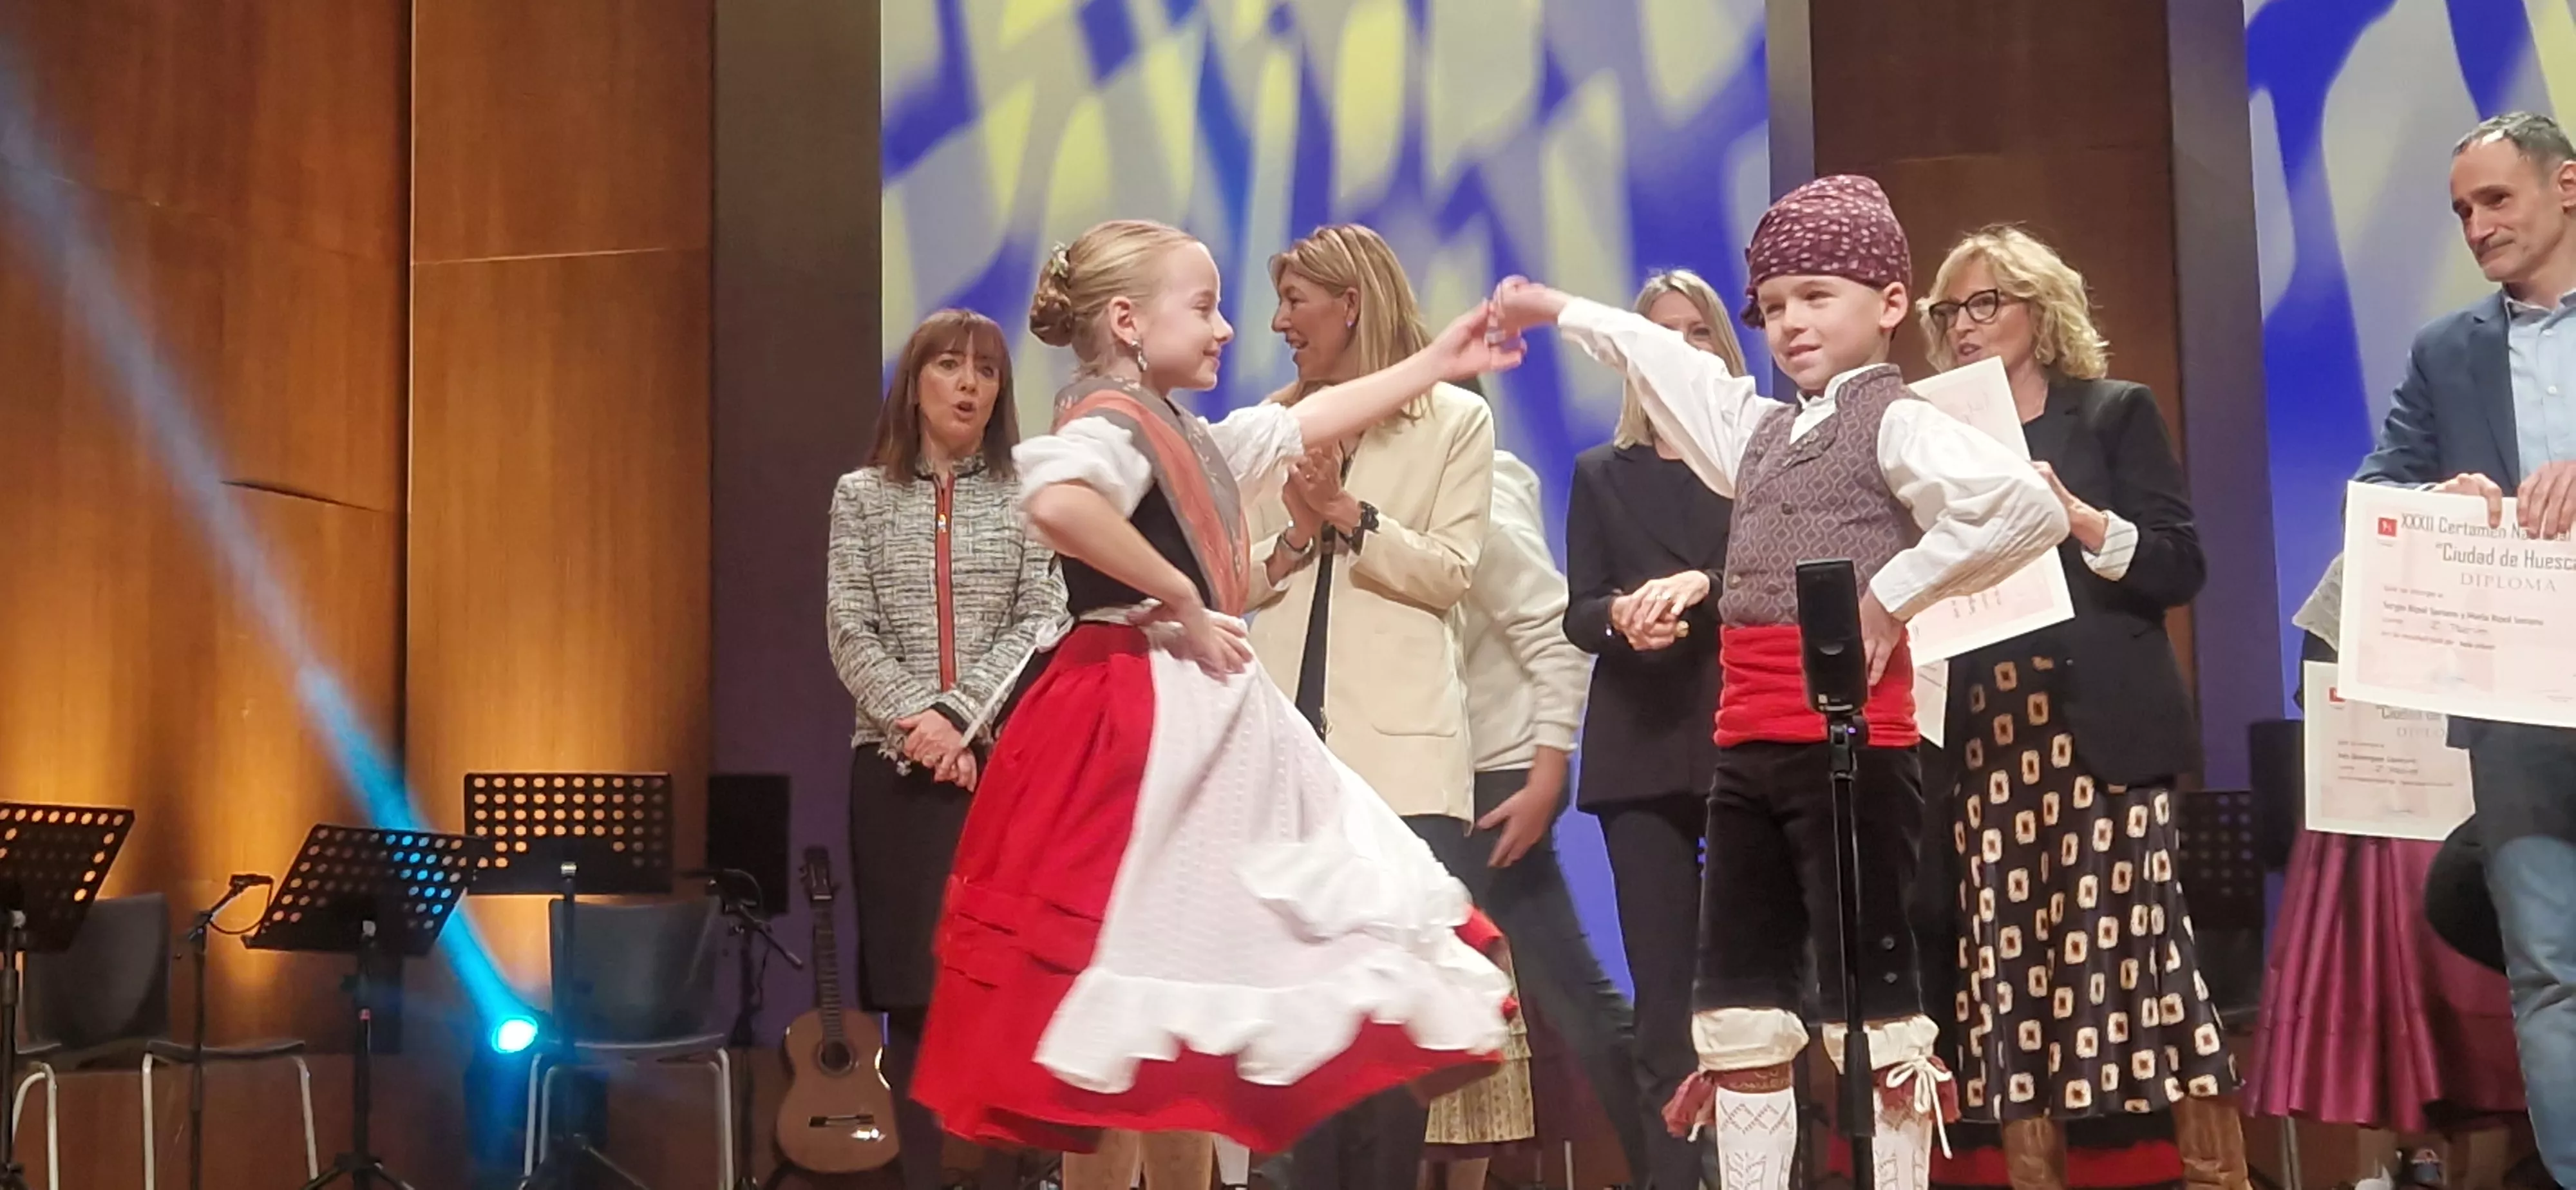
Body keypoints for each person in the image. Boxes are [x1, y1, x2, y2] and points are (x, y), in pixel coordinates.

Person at [1488, 174, 2068, 1190]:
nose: (1792, 322)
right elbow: (1672, 365)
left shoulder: (1895, 423)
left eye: (1818, 296)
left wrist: (1891, 596)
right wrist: (1563, 310)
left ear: (1891, 303)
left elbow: (2025, 508)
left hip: (1850, 751)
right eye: (1775, 304)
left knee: (1869, 1001)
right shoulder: (1762, 432)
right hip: (1748, 750)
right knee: (1739, 1000)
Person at [910, 218, 1524, 1162]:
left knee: (1191, 996)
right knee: (1133, 988)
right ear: (1127, 321)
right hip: (1132, 720)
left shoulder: (1176, 431)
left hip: (1196, 716)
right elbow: (1059, 502)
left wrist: (1436, 361)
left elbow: (1306, 420)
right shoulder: (1109, 419)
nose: (1227, 328)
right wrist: (1180, 593)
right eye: (1203, 308)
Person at [1911, 225, 2246, 1190]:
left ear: (2040, 309)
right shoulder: (1930, 441)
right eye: (1950, 310)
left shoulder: (2111, 413)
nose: (1965, 325)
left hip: (2101, 733)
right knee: (2005, 976)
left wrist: (2082, 520)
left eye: (1986, 304)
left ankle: (2219, 1176)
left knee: (2148, 959)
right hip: (1988, 738)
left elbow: (2179, 565)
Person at [1242, 222, 1508, 1190]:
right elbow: (1232, 581)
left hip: (1401, 767)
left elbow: (1451, 574)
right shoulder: (1269, 427)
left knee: (1390, 1028)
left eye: (1295, 303)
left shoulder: (1452, 422)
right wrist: (1294, 534)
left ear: (1350, 305)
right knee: (1303, 1025)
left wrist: (1350, 516)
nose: (1278, 324)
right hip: (1286, 762)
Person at [2349, 110, 2576, 1187]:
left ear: (2566, 186)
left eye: (2495, 199)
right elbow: (2374, 489)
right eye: (2460, 211)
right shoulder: (2447, 351)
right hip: (2520, 701)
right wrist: (2440, 498)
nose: (2477, 225)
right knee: (2550, 969)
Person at [828, 308, 1068, 1190]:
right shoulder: (860, 496)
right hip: (895, 773)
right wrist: (920, 728)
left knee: (1002, 988)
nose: (969, 384)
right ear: (915, 381)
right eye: (949, 365)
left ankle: (1007, 1175)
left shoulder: (1029, 492)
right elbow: (848, 630)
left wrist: (961, 721)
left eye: (987, 371)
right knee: (913, 994)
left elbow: (1043, 617)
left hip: (999, 767)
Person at [2243, 557, 2528, 1185]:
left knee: (2487, 997)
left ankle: (2495, 1168)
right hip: (2383, 801)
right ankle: (2391, 1165)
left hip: (2483, 797)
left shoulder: (2514, 560)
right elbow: (2317, 688)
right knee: (2385, 974)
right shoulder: (2366, 559)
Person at [1557, 268, 1745, 1190]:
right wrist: (1622, 618)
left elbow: (1784, 584)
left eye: (1697, 332)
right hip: (1640, 746)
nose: (1679, 349)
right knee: (1662, 1000)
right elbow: (1579, 609)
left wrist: (1705, 590)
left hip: (1744, 734)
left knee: (1755, 993)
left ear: (1721, 350)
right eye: (1660, 335)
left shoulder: (1758, 462)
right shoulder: (1602, 473)